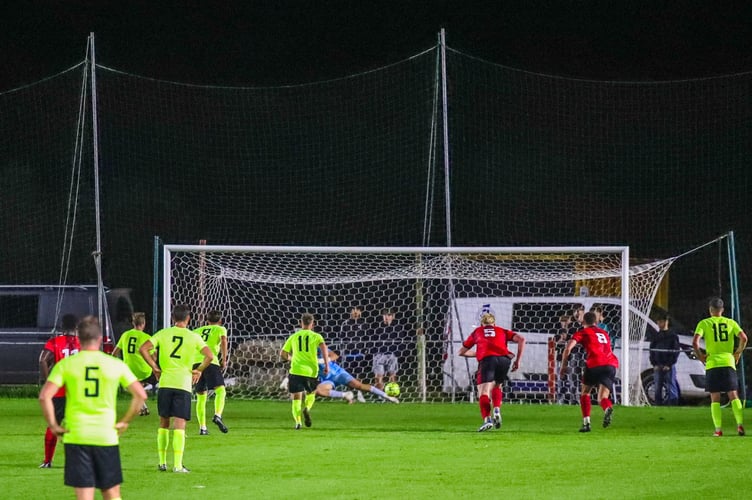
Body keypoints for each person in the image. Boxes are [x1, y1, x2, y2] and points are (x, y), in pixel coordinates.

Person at [39, 316, 147, 500]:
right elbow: (140, 395)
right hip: (105, 436)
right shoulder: (114, 364)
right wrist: (125, 421)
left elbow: (44, 396)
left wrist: (54, 425)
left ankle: (48, 460)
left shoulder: (66, 365)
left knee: (84, 496)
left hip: (77, 436)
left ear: (79, 340)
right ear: (99, 339)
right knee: (112, 494)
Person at [139, 304, 213, 473]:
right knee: (179, 423)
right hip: (182, 384)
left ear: (173, 318)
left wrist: (155, 367)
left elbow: (143, 349)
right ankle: (178, 465)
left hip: (165, 383)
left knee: (163, 422)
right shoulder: (193, 336)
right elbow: (209, 356)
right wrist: (199, 371)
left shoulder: (163, 334)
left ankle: (162, 462)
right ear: (188, 319)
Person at [458, 312, 526, 432]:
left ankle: (487, 420)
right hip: (504, 360)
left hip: (488, 360)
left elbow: (461, 352)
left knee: (483, 391)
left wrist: (478, 353)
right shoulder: (502, 331)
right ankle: (497, 410)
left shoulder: (477, 332)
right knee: (498, 385)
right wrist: (518, 360)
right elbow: (521, 339)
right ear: (494, 323)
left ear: (482, 324)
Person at [692, 297, 748, 437]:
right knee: (733, 395)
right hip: (728, 361)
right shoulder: (730, 322)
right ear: (722, 310)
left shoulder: (704, 323)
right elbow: (744, 338)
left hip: (713, 363)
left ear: (710, 309)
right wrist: (738, 353)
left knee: (715, 397)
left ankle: (718, 430)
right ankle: (740, 425)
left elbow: (695, 342)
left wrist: (700, 356)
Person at [560, 311, 619, 432]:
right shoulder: (604, 333)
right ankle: (607, 408)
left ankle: (586, 423)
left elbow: (568, 348)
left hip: (594, 364)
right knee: (602, 397)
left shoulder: (583, 332)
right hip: (610, 364)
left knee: (585, 393)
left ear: (583, 322)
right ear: (596, 322)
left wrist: (564, 366)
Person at [38, 313, 80, 468]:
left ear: (62, 327)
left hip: (59, 390)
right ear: (77, 327)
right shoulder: (82, 343)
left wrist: (48, 380)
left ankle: (47, 461)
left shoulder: (55, 342)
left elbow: (42, 359)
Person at [280, 313, 329, 429]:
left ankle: (298, 423)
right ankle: (307, 408)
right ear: (312, 324)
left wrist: (290, 358)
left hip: (296, 370)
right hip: (311, 371)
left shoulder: (294, 336)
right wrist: (327, 366)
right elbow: (324, 350)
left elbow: (282, 354)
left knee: (296, 398)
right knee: (311, 393)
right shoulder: (317, 336)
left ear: (301, 323)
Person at [315, 349, 399, 404]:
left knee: (359, 386)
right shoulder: (303, 356)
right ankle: (345, 395)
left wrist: (322, 360)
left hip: (339, 374)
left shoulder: (317, 347)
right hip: (326, 379)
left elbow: (336, 354)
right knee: (319, 391)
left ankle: (387, 396)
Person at [193, 309, 229, 435]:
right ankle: (217, 415)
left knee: (201, 397)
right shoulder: (221, 329)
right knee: (221, 391)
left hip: (196, 363)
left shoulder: (196, 331)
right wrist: (224, 359)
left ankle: (202, 428)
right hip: (210, 361)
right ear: (220, 321)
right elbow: (224, 340)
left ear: (207, 321)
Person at [112, 312, 155, 416]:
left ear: (133, 323)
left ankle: (145, 392)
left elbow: (114, 353)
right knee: (136, 385)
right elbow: (154, 356)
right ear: (143, 323)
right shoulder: (147, 337)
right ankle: (143, 406)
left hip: (129, 369)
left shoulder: (125, 335)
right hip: (145, 370)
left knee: (130, 386)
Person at [370, 307, 406, 392]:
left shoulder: (397, 327)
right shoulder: (377, 327)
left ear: (393, 316)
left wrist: (397, 353)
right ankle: (379, 395)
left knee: (392, 375)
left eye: (389, 315)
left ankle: (392, 393)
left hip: (392, 354)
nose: (387, 317)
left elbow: (400, 341)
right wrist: (375, 352)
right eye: (385, 315)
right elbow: (372, 340)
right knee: (378, 376)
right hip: (380, 354)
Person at [649, 313, 680, 406]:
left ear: (666, 322)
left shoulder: (673, 336)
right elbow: (652, 350)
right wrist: (654, 364)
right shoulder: (656, 336)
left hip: (668, 366)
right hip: (658, 365)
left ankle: (673, 405)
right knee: (657, 387)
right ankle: (658, 405)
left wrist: (669, 364)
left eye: (661, 322)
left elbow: (675, 351)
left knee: (671, 386)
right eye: (658, 322)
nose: (659, 324)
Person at [338, 305, 368, 383]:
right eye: (353, 310)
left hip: (359, 353)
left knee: (359, 374)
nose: (355, 312)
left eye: (357, 310)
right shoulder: (345, 323)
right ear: (350, 311)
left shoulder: (363, 323)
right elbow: (341, 338)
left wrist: (365, 350)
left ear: (360, 312)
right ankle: (348, 391)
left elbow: (366, 337)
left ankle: (358, 391)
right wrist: (342, 351)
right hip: (348, 354)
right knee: (348, 375)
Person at [554, 314, 577, 404]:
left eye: (566, 321)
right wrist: (559, 340)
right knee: (560, 381)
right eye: (562, 321)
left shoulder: (573, 331)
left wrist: (567, 340)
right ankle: (560, 401)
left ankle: (573, 400)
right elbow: (554, 346)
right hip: (560, 358)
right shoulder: (558, 332)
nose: (564, 323)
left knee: (572, 382)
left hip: (571, 359)